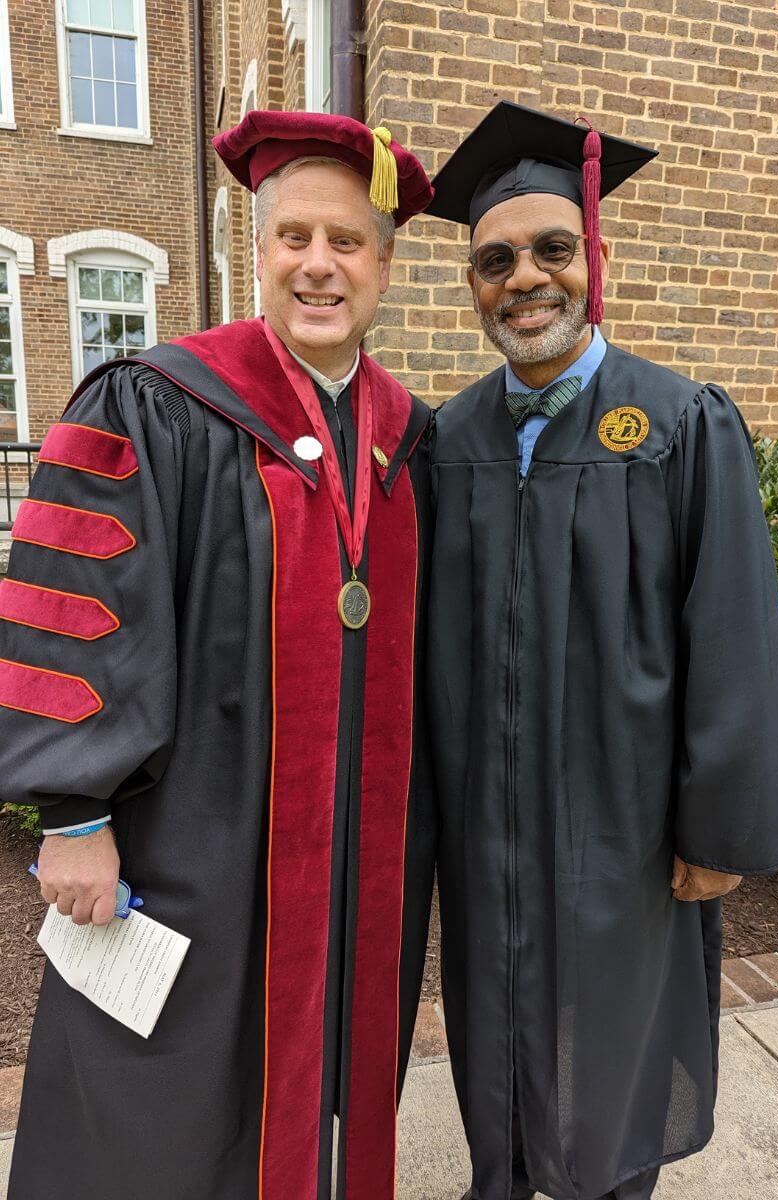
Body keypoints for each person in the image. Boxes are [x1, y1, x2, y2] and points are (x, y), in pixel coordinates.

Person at [1, 110, 437, 1200]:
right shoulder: (158, 401)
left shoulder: (401, 434)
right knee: (159, 1110)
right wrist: (73, 817)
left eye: (345, 242)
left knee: (308, 1088)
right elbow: (75, 598)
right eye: (294, 237)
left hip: (346, 854)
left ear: (383, 266)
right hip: (186, 838)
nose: (317, 266)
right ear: (258, 252)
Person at [425, 100, 778, 1200]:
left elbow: (730, 634)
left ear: (592, 256)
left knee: (616, 1018)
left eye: (550, 250)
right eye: (494, 261)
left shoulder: (681, 422)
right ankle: (499, 1172)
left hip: (627, 822)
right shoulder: (447, 441)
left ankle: (603, 1183)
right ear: (472, 286)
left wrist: (717, 825)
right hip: (485, 815)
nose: (523, 279)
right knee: (491, 997)